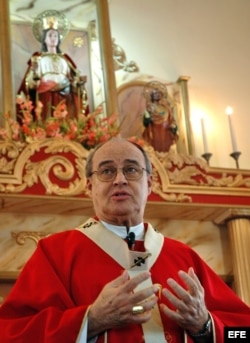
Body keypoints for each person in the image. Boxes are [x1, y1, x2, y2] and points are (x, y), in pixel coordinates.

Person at [0, 138, 249, 342]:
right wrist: (91, 320)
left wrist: (205, 324)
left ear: (149, 183)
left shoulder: (185, 257)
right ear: (90, 186)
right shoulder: (55, 254)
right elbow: (9, 333)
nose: (120, 179)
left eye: (131, 169)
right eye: (107, 171)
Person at [17, 15, 89, 121]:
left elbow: (72, 81)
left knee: (65, 122)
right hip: (45, 96)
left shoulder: (65, 59)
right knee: (47, 121)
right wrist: (34, 71)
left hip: (64, 95)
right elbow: (31, 84)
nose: (53, 39)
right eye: (50, 36)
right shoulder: (39, 58)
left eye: (55, 36)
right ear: (44, 39)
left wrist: (79, 83)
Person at [142, 82, 178, 152]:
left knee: (167, 145)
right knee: (155, 145)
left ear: (162, 95)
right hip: (154, 129)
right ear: (152, 96)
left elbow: (171, 119)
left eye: (158, 94)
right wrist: (147, 118)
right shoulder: (150, 107)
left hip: (166, 130)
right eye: (155, 94)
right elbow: (145, 121)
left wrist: (173, 126)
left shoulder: (166, 107)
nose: (157, 95)